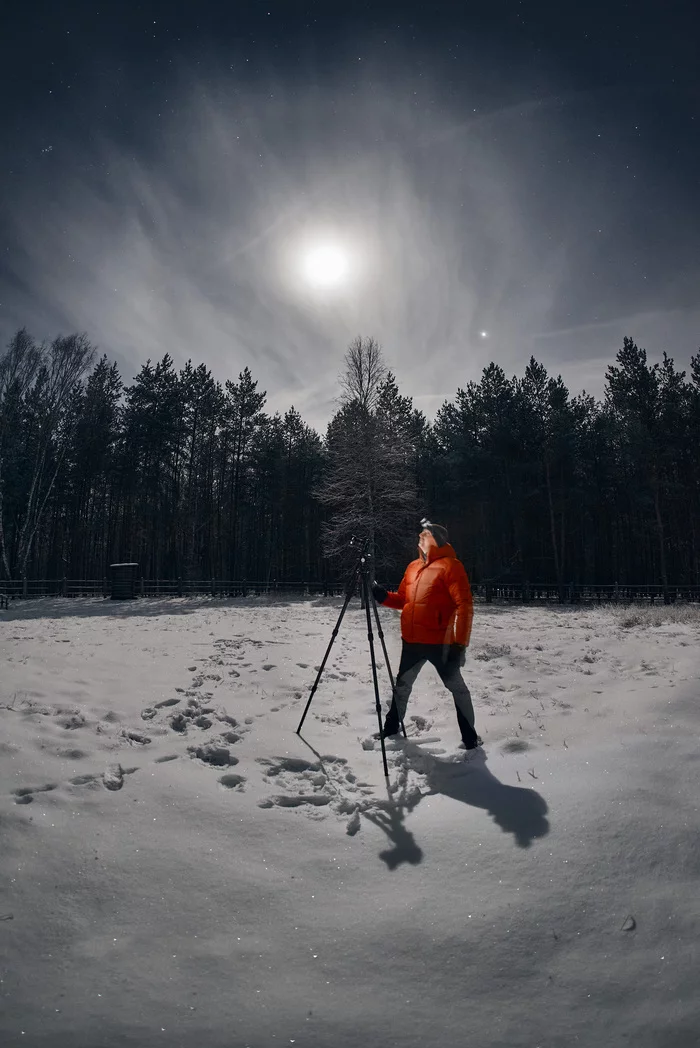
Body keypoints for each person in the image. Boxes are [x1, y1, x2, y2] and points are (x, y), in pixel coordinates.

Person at [373, 519, 482, 749]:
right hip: (411, 641)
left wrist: (459, 645)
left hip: (440, 643)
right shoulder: (413, 567)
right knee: (401, 686)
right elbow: (403, 599)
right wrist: (383, 597)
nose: (419, 538)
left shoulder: (452, 566)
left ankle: (470, 739)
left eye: (424, 535)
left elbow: (464, 606)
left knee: (457, 688)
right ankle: (391, 729)